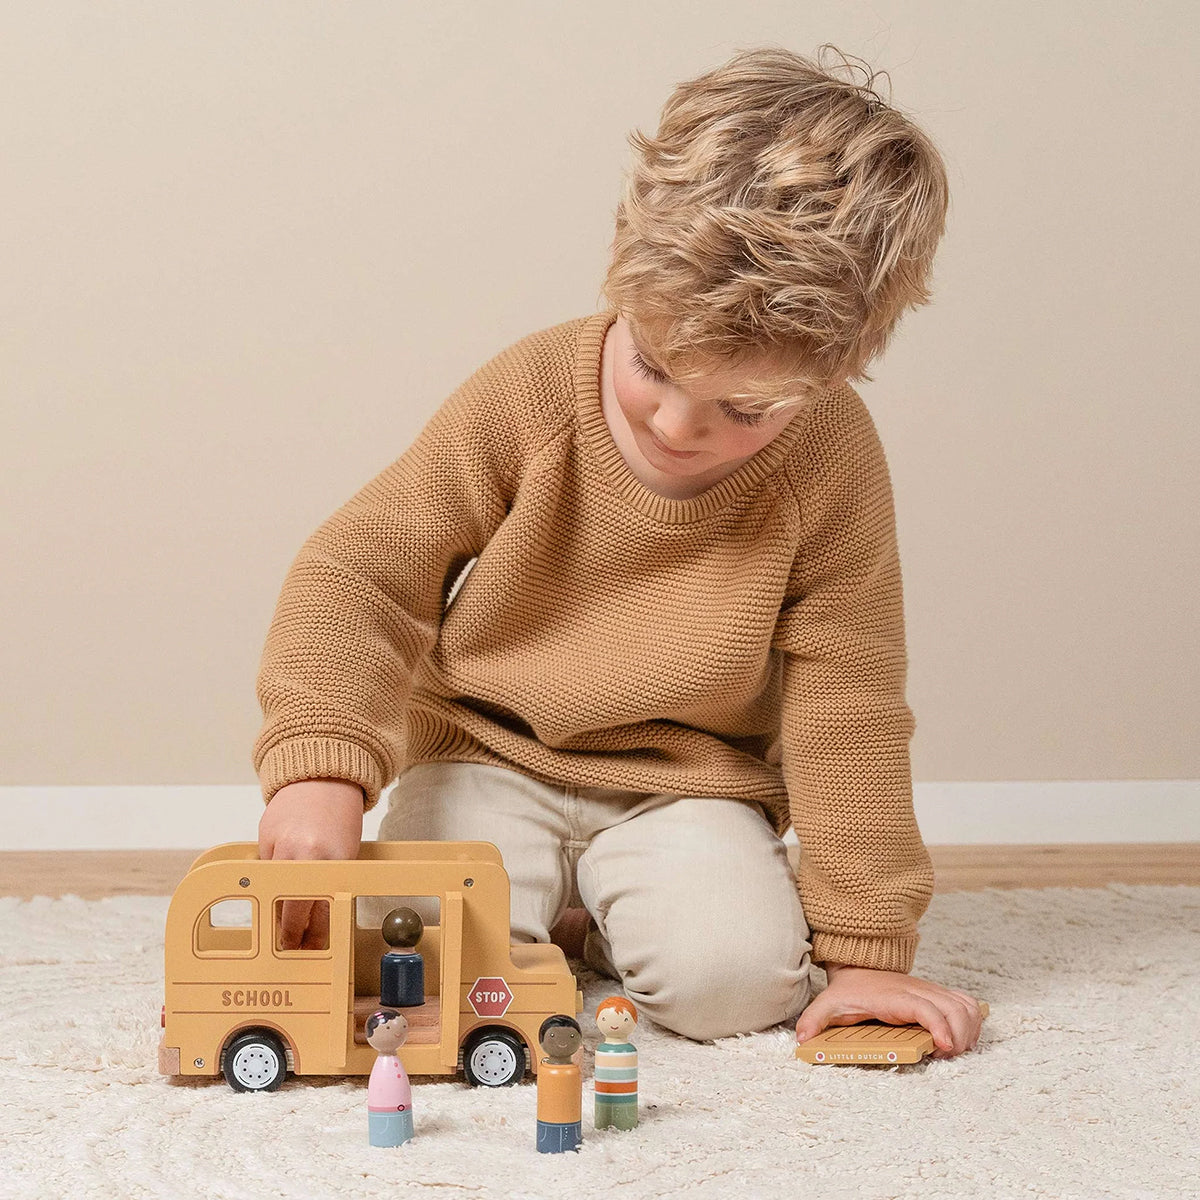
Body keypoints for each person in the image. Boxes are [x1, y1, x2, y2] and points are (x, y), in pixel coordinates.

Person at [255, 44, 984, 1057]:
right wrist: (319, 767)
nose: (680, 424)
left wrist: (866, 949)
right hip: (486, 754)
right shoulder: (531, 392)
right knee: (409, 968)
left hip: (688, 782)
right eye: (652, 363)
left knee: (736, 989)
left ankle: (594, 910)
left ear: (835, 370)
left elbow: (847, 702)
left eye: (744, 406)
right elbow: (364, 569)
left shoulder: (833, 462)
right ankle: (558, 907)